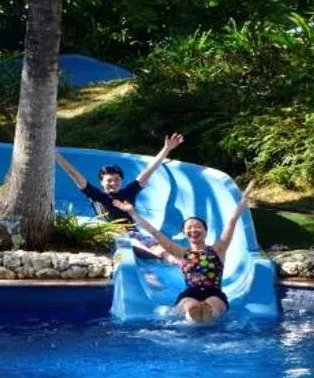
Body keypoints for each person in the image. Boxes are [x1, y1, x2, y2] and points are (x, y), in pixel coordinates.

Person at [116, 190, 251, 325]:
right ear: (185, 233)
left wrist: (242, 202)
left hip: (214, 293)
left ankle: (206, 313)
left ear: (205, 231)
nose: (193, 230)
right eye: (189, 227)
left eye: (198, 226)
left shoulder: (218, 249)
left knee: (214, 306)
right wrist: (132, 212)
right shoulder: (181, 253)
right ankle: (194, 314)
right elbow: (154, 232)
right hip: (190, 293)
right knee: (188, 305)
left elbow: (231, 223)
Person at [54, 132, 185, 227]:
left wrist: (166, 149)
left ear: (121, 180)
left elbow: (149, 170)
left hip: (134, 234)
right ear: (102, 182)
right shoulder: (97, 196)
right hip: (114, 235)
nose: (113, 183)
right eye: (109, 180)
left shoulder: (129, 192)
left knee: (161, 251)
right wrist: (57, 157)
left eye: (117, 179)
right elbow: (74, 174)